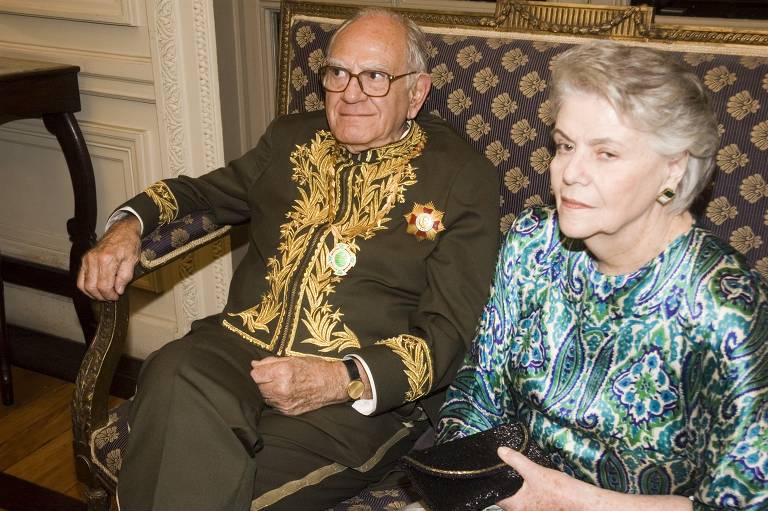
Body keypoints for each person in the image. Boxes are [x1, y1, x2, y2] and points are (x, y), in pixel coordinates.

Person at [78, 8, 500, 511]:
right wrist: (129, 225)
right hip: (233, 350)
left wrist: (342, 379)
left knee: (198, 482)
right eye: (338, 72)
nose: (351, 92)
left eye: (376, 77)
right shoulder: (291, 139)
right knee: (175, 369)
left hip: (353, 399)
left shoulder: (461, 176)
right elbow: (203, 196)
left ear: (417, 92)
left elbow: (451, 332)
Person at [437, 41, 767, 511]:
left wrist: (569, 500)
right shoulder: (533, 244)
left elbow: (744, 504)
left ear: (673, 168)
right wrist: (472, 486)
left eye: (606, 154)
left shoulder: (726, 306)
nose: (571, 172)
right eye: (565, 145)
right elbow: (478, 394)